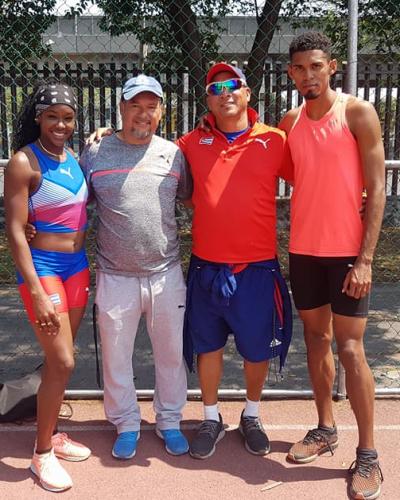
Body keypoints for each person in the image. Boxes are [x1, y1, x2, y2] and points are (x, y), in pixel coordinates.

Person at [278, 32, 385, 499]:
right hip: (303, 251)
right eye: (299, 69)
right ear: (290, 74)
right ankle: (325, 429)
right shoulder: (290, 120)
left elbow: (377, 188)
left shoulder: (357, 112)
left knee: (350, 350)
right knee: (316, 340)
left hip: (347, 255)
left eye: (316, 66)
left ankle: (368, 456)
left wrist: (365, 259)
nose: (308, 76)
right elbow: (259, 153)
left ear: (333, 66)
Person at [177, 63, 293, 460]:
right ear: (208, 99)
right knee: (207, 347)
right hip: (207, 266)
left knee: (256, 349)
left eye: (232, 85)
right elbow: (145, 153)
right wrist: (106, 135)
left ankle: (252, 414)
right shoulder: (189, 143)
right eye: (215, 87)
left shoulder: (276, 140)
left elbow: (313, 176)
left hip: (257, 269)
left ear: (247, 93)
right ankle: (211, 417)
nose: (224, 92)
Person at [79, 74, 192, 460]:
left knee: (171, 353)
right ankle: (126, 422)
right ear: (122, 108)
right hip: (115, 276)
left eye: (151, 107)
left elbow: (189, 198)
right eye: (135, 106)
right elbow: (77, 203)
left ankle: (169, 421)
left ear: (161, 111)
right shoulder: (94, 152)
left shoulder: (174, 154)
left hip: (166, 273)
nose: (143, 114)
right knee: (115, 355)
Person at [5, 81, 91, 492]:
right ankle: (42, 455)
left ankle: (52, 432)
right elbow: (16, 233)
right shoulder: (24, 162)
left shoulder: (75, 158)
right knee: (64, 360)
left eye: (68, 117)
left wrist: (105, 134)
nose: (60, 124)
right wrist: (36, 290)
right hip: (43, 269)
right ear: (37, 117)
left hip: (78, 267)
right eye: (52, 116)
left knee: (61, 360)